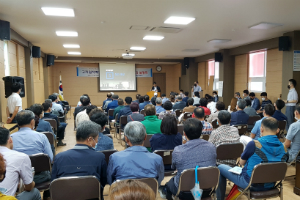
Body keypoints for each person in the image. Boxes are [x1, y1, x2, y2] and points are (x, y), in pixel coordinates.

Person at [216, 117, 288, 200]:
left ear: (261, 129)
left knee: (220, 167)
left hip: (250, 184)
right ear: (278, 130)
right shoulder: (284, 148)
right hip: (272, 184)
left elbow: (242, 163)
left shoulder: (254, 144)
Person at [159, 118, 216, 200]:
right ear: (201, 132)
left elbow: (173, 167)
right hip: (207, 189)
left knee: (169, 184)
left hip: (184, 192)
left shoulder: (178, 150)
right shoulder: (211, 147)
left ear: (184, 134)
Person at [51, 121, 107, 198]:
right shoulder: (99, 157)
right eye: (97, 138)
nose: (97, 141)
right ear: (90, 139)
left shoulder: (59, 157)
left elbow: (54, 183)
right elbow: (103, 182)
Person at [11, 110, 53, 185]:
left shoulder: (10, 138)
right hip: (39, 177)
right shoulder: (41, 137)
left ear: (17, 123)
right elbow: (50, 158)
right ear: (32, 122)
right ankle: (47, 195)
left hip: (17, 178)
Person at [0, 127, 41, 200]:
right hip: (7, 198)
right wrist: (32, 183)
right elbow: (28, 187)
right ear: (10, 139)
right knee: (35, 192)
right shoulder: (21, 157)